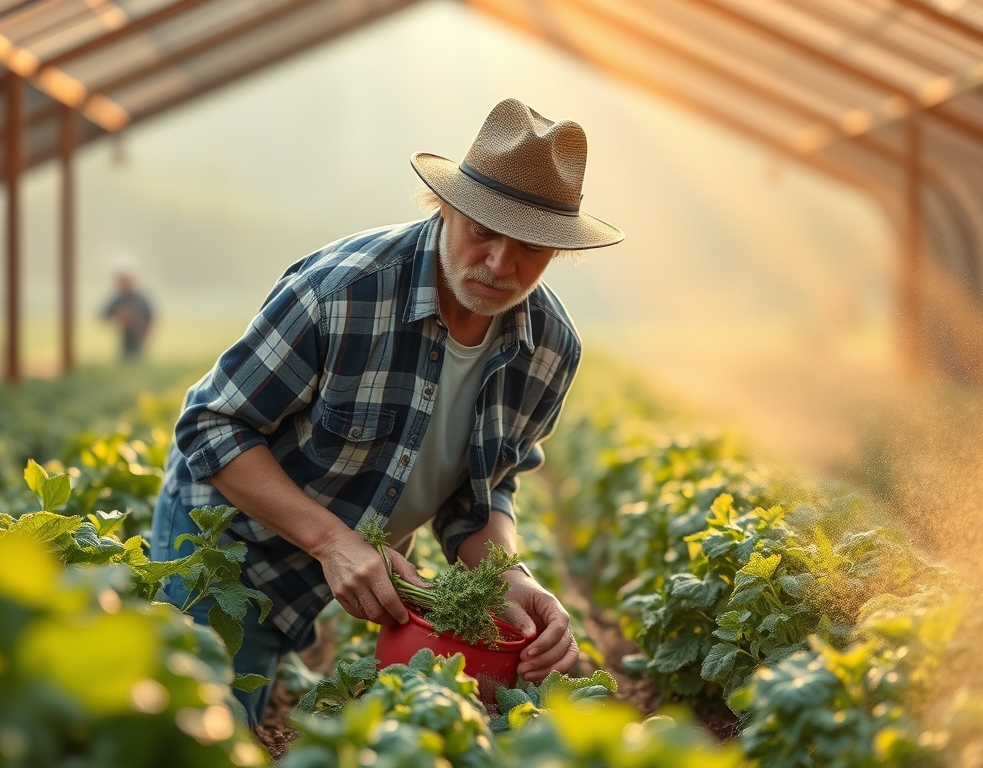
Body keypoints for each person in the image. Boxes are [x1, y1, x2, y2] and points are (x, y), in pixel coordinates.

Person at [150, 98, 624, 723]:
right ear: (447, 206)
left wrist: (513, 578)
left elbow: (481, 495)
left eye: (530, 247)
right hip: (233, 541)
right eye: (484, 231)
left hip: (363, 566)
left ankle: (286, 662)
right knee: (205, 731)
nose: (499, 265)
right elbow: (211, 425)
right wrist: (330, 540)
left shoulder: (549, 349)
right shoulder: (343, 292)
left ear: (557, 251)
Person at [101, 271, 153, 358]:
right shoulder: (118, 299)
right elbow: (104, 315)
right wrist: (118, 317)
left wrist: (145, 334)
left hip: (139, 336)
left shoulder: (141, 299)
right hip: (122, 337)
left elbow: (150, 317)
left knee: (137, 357)